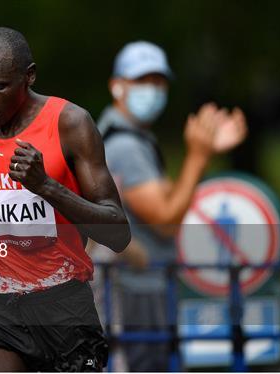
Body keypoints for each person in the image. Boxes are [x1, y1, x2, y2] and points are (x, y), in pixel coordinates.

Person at [0, 27, 131, 372]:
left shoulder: (71, 124)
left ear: (29, 76)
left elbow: (118, 233)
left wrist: (46, 187)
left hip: (61, 303)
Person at [97, 41, 247, 371]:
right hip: (135, 289)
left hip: (140, 285)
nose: (152, 90)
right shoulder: (124, 145)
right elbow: (165, 219)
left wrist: (202, 157)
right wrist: (197, 155)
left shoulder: (132, 138)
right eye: (142, 81)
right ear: (117, 86)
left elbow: (169, 197)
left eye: (159, 81)